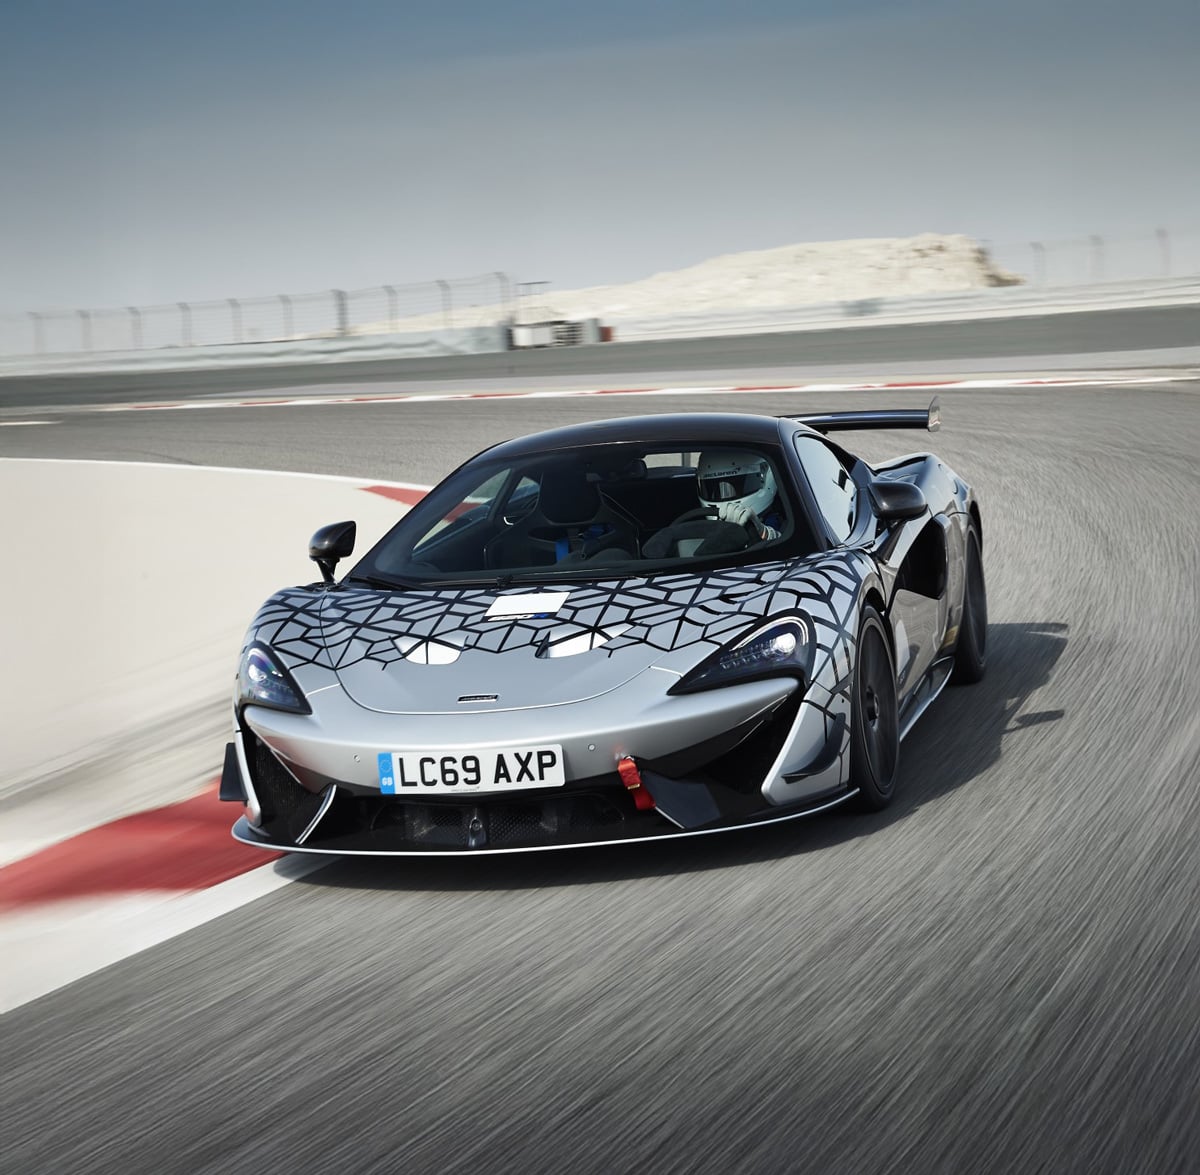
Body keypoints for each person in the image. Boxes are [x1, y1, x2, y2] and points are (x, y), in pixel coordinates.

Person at [696, 450, 782, 541]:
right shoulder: (698, 529)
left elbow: (785, 542)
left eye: (737, 486)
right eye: (715, 490)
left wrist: (764, 533)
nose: (725, 501)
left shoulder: (784, 518)